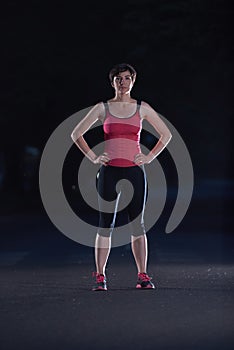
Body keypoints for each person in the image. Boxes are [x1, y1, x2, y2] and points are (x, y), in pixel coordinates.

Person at [71, 63, 172, 291]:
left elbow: (166, 134)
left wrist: (149, 156)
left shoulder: (142, 108)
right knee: (105, 224)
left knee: (138, 224)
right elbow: (76, 133)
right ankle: (100, 276)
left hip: (134, 171)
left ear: (133, 81)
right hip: (110, 171)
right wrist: (93, 157)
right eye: (119, 78)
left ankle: (143, 275)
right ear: (113, 82)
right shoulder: (102, 108)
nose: (123, 82)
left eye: (127, 78)